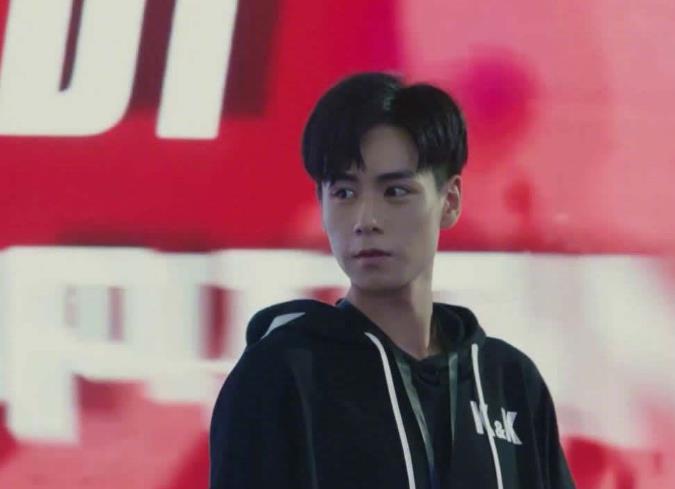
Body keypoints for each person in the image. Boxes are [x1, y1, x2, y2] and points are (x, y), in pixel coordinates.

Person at [209, 72, 576, 489]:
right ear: (321, 202)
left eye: (395, 192)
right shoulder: (279, 376)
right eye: (344, 193)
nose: (366, 220)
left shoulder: (509, 382)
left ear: (450, 201)